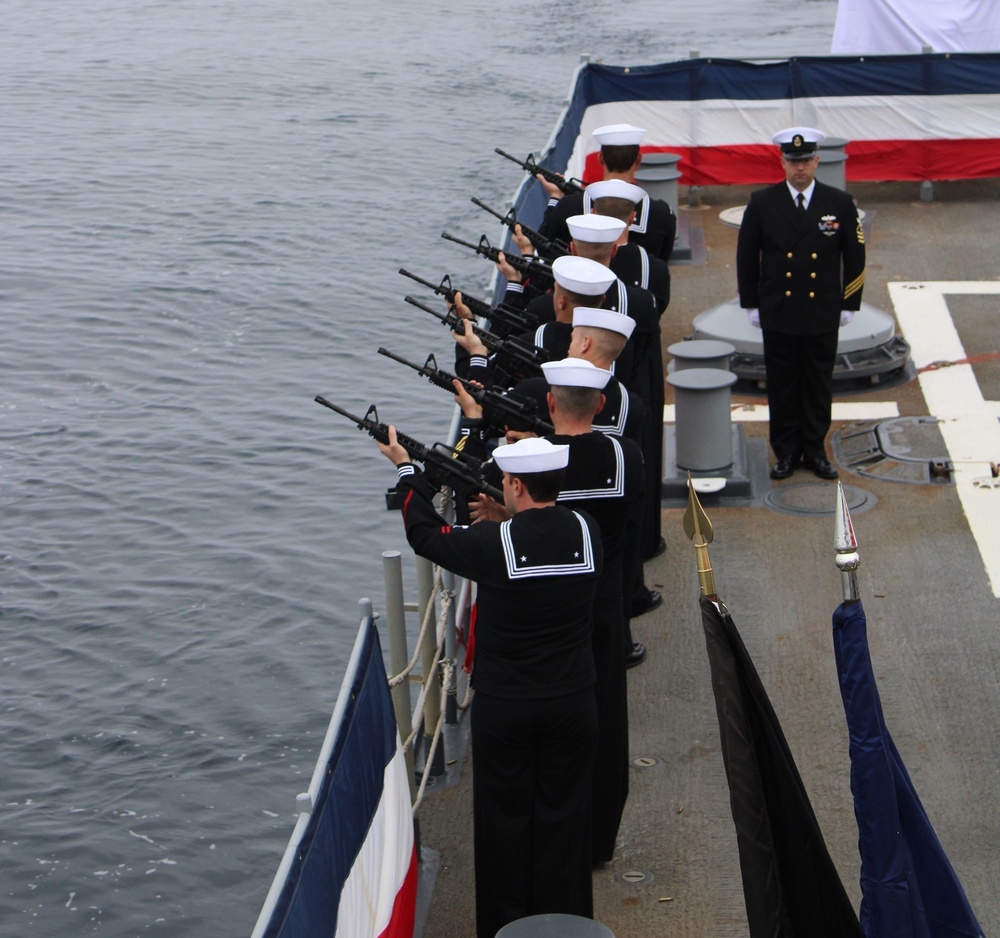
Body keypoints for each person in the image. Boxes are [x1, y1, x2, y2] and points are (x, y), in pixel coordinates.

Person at [377, 432, 603, 938]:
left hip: (509, 705)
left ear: (516, 486)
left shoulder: (490, 544)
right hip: (572, 700)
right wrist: (511, 521)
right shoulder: (587, 531)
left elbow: (427, 536)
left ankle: (507, 927)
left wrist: (406, 472)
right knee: (564, 821)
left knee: (504, 825)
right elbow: (539, 545)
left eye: (504, 482)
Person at [736, 126, 866, 480]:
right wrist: (751, 303)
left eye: (806, 160)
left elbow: (855, 255)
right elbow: (747, 256)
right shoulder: (762, 202)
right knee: (782, 384)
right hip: (779, 308)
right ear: (782, 162)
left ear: (817, 161)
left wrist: (850, 302)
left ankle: (814, 449)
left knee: (818, 383)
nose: (800, 168)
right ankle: (786, 452)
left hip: (821, 308)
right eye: (793, 161)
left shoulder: (838, 203)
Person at [538, 123, 677, 263]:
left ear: (600, 158)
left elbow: (545, 249)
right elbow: (663, 260)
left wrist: (555, 198)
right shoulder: (663, 213)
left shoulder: (568, 207)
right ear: (639, 159)